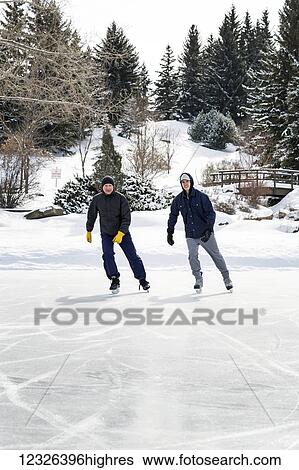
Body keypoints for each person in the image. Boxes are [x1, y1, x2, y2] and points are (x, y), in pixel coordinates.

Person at [167, 172, 233, 292]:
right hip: (191, 234)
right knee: (192, 257)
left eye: (187, 181)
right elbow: (173, 216)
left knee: (216, 256)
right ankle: (198, 279)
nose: (185, 183)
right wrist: (170, 232)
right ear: (181, 184)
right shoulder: (178, 200)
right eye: (183, 182)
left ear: (191, 182)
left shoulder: (201, 197)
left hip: (205, 233)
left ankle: (227, 278)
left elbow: (211, 214)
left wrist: (209, 229)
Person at [86, 176, 150, 292]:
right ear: (102, 187)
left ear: (113, 186)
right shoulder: (97, 199)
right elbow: (92, 215)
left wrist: (121, 233)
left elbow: (127, 217)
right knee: (107, 255)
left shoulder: (121, 198)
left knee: (132, 255)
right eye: (106, 186)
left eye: (110, 185)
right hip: (106, 233)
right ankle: (114, 278)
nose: (108, 188)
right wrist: (89, 230)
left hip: (122, 233)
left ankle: (142, 279)